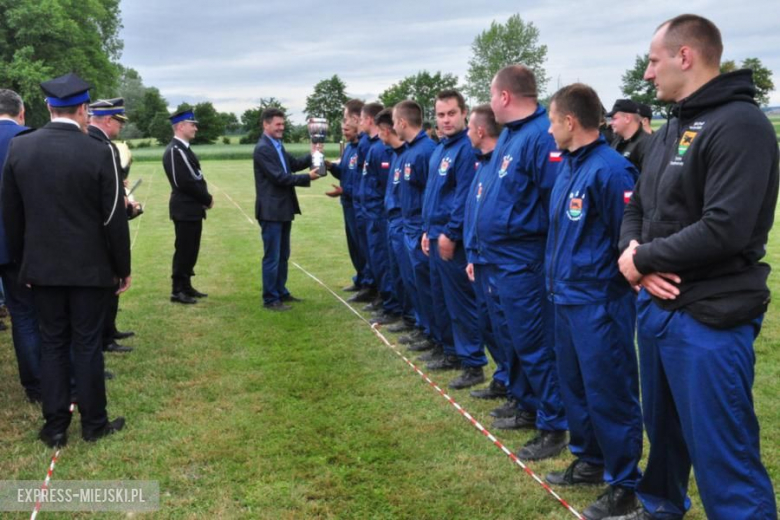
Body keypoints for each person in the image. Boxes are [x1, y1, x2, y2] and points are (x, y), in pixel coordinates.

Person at [615, 14, 778, 520]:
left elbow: (725, 227)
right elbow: (637, 205)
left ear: (685, 57)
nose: (647, 74)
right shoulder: (670, 128)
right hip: (658, 310)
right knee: (662, 433)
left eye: (653, 59)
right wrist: (633, 256)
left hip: (709, 315)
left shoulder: (742, 124)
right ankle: (660, 505)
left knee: (721, 451)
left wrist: (643, 258)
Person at [1, 72, 130, 447]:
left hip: (41, 268)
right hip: (90, 268)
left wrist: (25, 262)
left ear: (47, 107)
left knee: (53, 343)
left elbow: (13, 216)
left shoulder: (21, 148)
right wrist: (122, 267)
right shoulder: (98, 150)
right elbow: (112, 218)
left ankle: (55, 426)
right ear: (84, 109)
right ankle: (93, 424)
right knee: (86, 345)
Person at [546, 83, 642, 520]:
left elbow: (626, 239)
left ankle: (624, 483)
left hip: (599, 302)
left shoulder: (611, 170)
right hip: (565, 297)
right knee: (576, 385)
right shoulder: (567, 166)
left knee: (610, 391)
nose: (549, 131)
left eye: (552, 121)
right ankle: (589, 458)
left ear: (570, 121)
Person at [475, 65, 567, 461]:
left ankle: (554, 425)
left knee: (535, 345)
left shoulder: (538, 135)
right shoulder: (510, 137)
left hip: (525, 261)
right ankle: (528, 404)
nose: (490, 101)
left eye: (492, 94)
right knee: (514, 340)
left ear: (505, 96)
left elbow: (555, 203)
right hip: (500, 260)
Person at [421, 89, 487, 388]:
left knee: (462, 304)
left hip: (452, 240)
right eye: (441, 114)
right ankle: (450, 351)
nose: (446, 120)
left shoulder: (465, 150)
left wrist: (451, 232)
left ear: (464, 113)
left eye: (451, 114)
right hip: (434, 235)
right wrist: (427, 230)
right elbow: (433, 195)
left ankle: (473, 363)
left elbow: (463, 199)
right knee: (441, 299)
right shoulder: (440, 149)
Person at [253, 107, 320, 311]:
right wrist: (308, 177)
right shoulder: (263, 148)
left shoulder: (277, 146)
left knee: (283, 255)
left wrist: (313, 154)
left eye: (283, 124)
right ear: (266, 124)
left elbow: (294, 164)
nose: (282, 128)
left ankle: (281, 291)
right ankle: (270, 299)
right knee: (272, 257)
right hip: (271, 211)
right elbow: (279, 177)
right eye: (278, 124)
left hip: (283, 209)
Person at [0, 88, 42, 403]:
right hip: (17, 243)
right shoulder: (31, 140)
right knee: (25, 313)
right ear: (22, 112)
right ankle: (35, 384)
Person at [464, 104, 508, 400]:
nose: (468, 132)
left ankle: (513, 385)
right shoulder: (483, 164)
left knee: (506, 329)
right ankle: (504, 378)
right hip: (479, 258)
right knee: (489, 324)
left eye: (469, 126)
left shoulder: (499, 165)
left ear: (480, 130)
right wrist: (471, 253)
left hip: (499, 262)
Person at [392, 101, 441, 355]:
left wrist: (425, 229)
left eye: (393, 121)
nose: (392, 127)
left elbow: (430, 194)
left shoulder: (426, 151)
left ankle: (435, 336)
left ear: (402, 122)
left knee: (427, 286)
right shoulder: (408, 152)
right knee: (415, 284)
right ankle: (424, 329)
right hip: (407, 226)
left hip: (420, 230)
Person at [88, 98, 135, 353]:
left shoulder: (100, 143)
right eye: (119, 121)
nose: (120, 127)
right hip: (102, 232)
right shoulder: (101, 147)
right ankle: (104, 338)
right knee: (106, 285)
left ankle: (109, 331)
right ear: (108, 120)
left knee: (108, 288)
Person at [356, 102, 403, 324]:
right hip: (371, 213)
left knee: (386, 262)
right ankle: (387, 302)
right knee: (378, 260)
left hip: (382, 215)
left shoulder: (384, 150)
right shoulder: (374, 147)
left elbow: (387, 187)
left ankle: (392, 306)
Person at [162, 109, 213, 305]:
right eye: (192, 124)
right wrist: (206, 198)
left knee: (192, 249)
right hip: (184, 208)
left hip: (192, 209)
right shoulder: (175, 150)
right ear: (181, 126)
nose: (196, 128)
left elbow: (195, 177)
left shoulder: (183, 149)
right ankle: (177, 290)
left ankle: (187, 285)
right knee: (183, 249)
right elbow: (184, 182)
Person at [607, 99, 649, 172]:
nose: (611, 123)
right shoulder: (616, 141)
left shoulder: (648, 143)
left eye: (614, 119)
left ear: (627, 118)